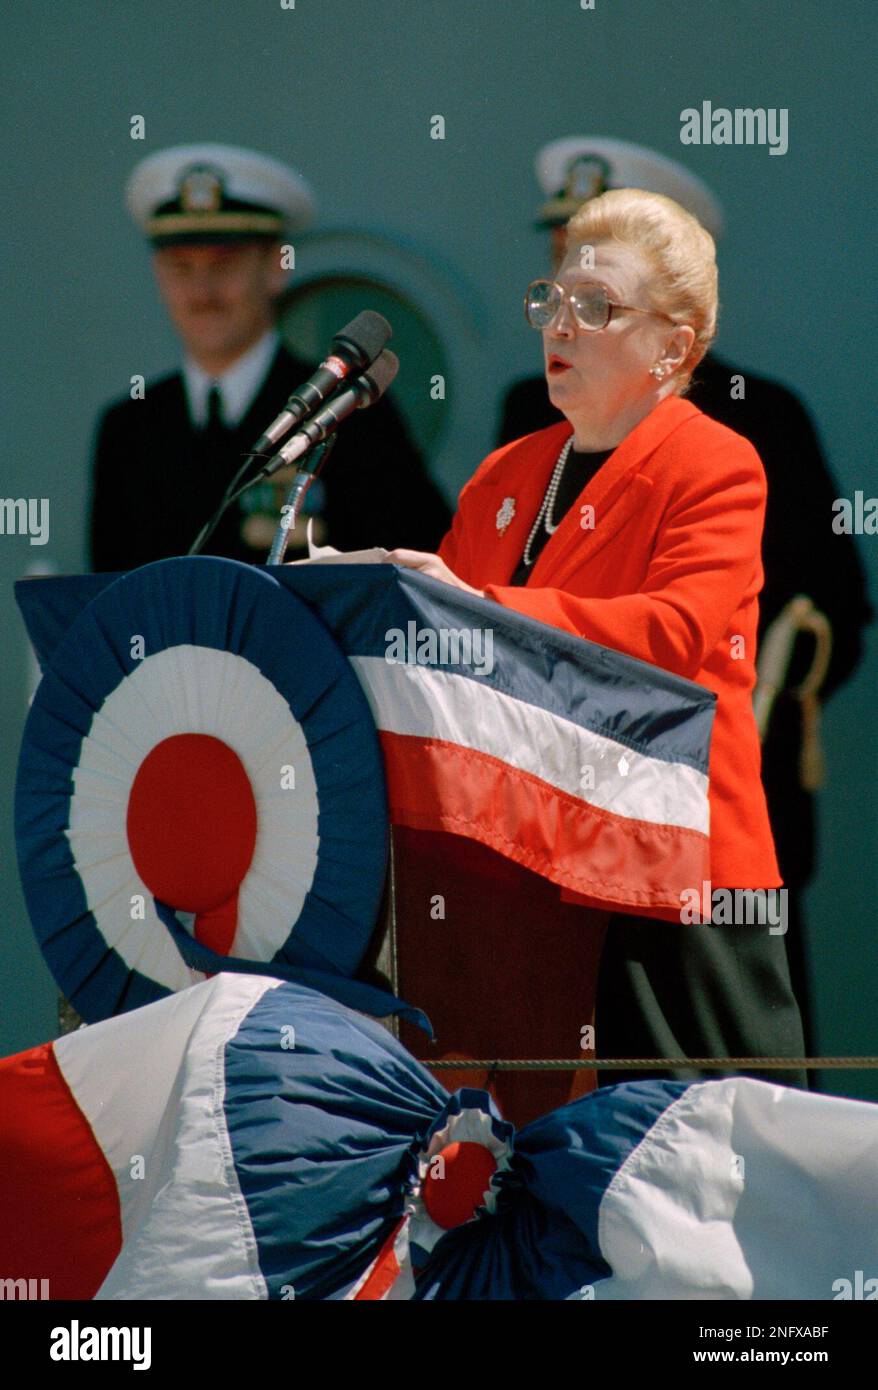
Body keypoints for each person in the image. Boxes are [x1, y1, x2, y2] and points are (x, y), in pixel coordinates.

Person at [387, 187, 808, 1091]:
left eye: (596, 307)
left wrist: (479, 609)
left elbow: (675, 632)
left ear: (675, 345)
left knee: (711, 1162)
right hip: (527, 873)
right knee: (541, 1170)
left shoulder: (715, 461)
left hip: (681, 875)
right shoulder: (508, 470)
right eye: (552, 300)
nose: (560, 326)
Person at [496, 138, 872, 1081]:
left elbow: (828, 608)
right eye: (557, 274)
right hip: (548, 825)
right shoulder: (521, 435)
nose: (566, 311)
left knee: (723, 1117)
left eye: (601, 293)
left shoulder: (753, 427)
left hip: (702, 804)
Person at [89, 143, 450, 572]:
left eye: (224, 266)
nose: (202, 294)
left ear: (276, 268)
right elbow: (109, 598)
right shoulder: (129, 428)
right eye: (181, 268)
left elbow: (414, 570)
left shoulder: (349, 407)